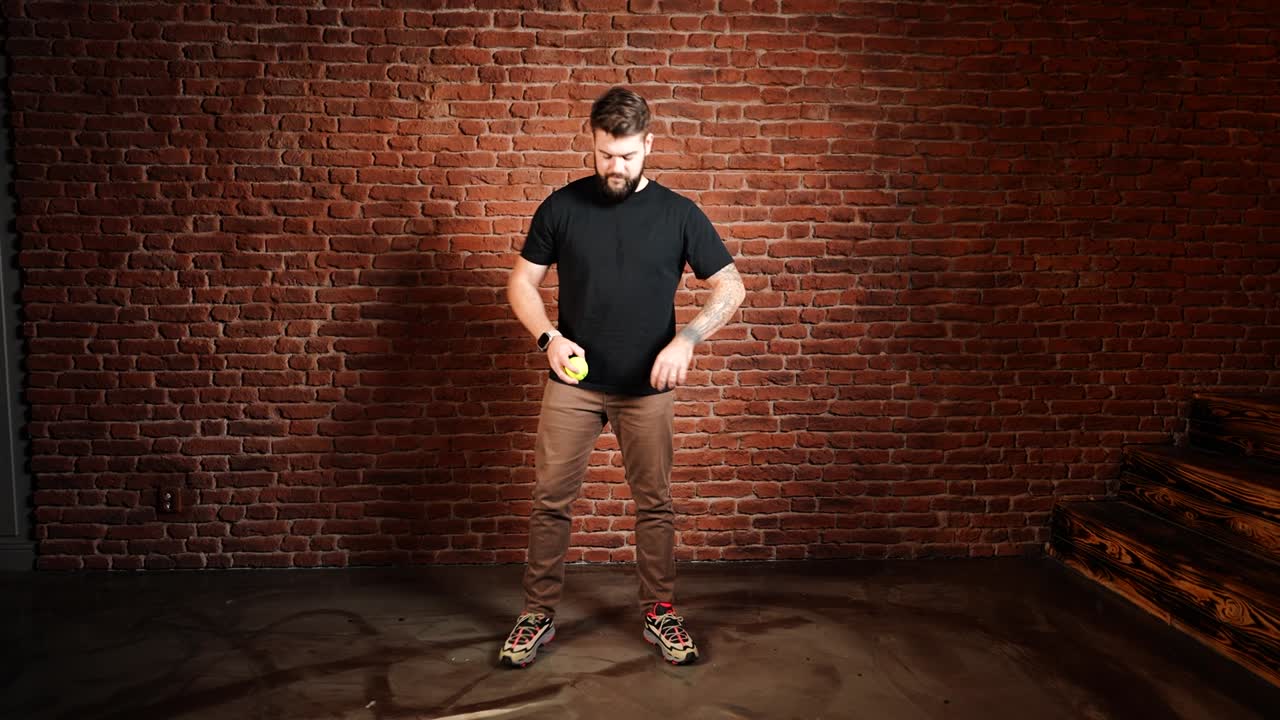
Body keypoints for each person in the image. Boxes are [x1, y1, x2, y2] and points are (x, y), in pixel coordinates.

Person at [499, 87, 745, 668]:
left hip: (647, 388)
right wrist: (549, 339)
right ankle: (536, 614)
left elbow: (730, 285)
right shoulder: (560, 207)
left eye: (629, 155)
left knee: (655, 504)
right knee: (549, 502)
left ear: (649, 145)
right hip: (572, 385)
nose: (617, 166)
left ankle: (660, 611)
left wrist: (688, 337)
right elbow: (520, 284)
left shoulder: (679, 213)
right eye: (607, 153)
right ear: (592, 141)